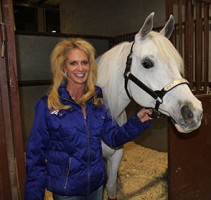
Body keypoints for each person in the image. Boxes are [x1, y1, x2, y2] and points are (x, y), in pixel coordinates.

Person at [24, 38, 153, 200]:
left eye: (84, 62)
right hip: (67, 192)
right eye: (73, 63)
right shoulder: (48, 106)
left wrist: (137, 122)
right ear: (63, 67)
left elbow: (113, 138)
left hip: (96, 186)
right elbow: (35, 158)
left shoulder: (96, 100)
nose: (80, 68)